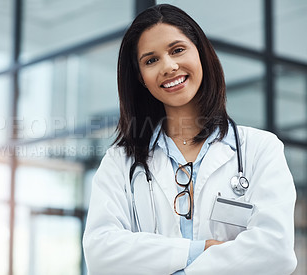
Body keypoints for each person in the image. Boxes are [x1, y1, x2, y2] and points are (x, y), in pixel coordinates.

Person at [82, 4, 297, 275]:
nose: (169, 66)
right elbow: (101, 253)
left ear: (201, 53)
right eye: (151, 60)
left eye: (177, 50)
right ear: (141, 78)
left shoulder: (260, 149)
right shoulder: (120, 162)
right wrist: (199, 250)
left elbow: (275, 252)